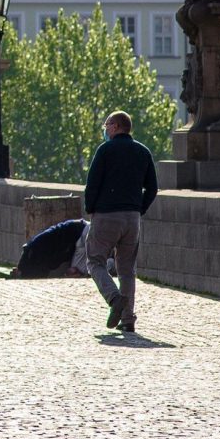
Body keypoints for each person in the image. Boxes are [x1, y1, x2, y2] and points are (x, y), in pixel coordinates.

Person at [82, 109, 160, 335]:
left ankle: (114, 297)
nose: (105, 130)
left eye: (107, 126)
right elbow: (152, 188)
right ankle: (128, 320)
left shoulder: (105, 150)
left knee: (95, 261)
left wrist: (91, 209)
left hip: (106, 215)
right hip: (132, 218)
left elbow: (93, 183)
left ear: (116, 126)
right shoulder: (143, 152)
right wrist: (139, 209)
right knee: (127, 269)